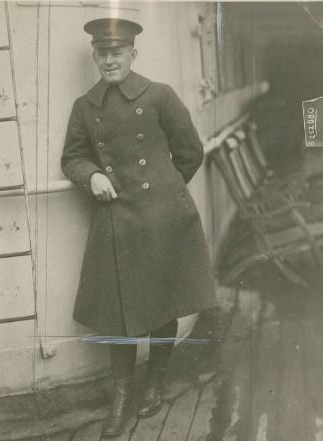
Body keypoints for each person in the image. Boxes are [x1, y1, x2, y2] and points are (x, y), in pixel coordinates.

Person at [61, 16, 215, 438]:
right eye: (101, 52)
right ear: (94, 54)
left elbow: (191, 152)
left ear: (133, 52)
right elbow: (71, 157)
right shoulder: (85, 106)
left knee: (163, 304)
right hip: (116, 219)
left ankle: (155, 384)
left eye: (116, 52)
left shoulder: (160, 95)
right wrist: (91, 174)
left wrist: (164, 193)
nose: (108, 60)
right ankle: (122, 396)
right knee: (118, 314)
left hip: (162, 217)